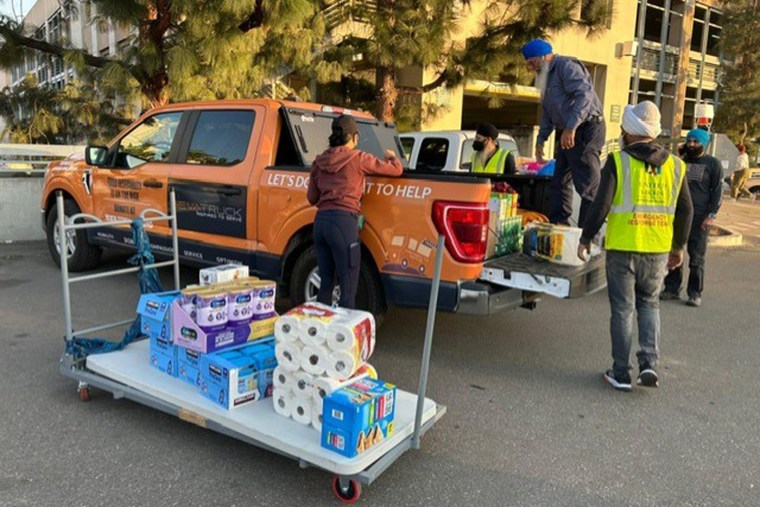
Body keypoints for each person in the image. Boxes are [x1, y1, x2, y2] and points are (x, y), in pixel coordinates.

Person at [577, 101, 693, 391]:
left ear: (629, 131)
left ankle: (620, 372)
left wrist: (585, 237)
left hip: (623, 248)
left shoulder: (618, 161)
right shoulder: (677, 166)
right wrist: (679, 247)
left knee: (622, 310)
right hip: (657, 251)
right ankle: (649, 364)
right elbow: (687, 209)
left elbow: (600, 203)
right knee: (649, 305)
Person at [307, 115, 403, 309]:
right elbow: (396, 170)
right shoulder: (358, 158)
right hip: (343, 224)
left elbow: (312, 198)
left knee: (326, 283)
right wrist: (392, 156)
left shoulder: (319, 161)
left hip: (320, 224)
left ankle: (319, 332)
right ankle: (343, 336)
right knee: (348, 287)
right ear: (355, 137)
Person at [521, 38, 606, 228]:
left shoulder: (566, 66)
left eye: (532, 61)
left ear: (543, 56)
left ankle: (587, 233)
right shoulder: (544, 77)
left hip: (586, 128)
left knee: (588, 185)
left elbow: (585, 95)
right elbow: (548, 112)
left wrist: (571, 127)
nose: (530, 66)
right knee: (559, 182)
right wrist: (541, 140)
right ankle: (560, 226)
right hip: (568, 130)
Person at [661, 129, 723, 307]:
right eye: (689, 141)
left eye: (696, 141)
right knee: (674, 251)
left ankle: (695, 293)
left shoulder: (713, 164)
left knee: (696, 257)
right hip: (678, 216)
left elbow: (718, 192)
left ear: (704, 144)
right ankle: (672, 288)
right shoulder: (681, 162)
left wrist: (711, 215)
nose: (692, 144)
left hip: (700, 218)